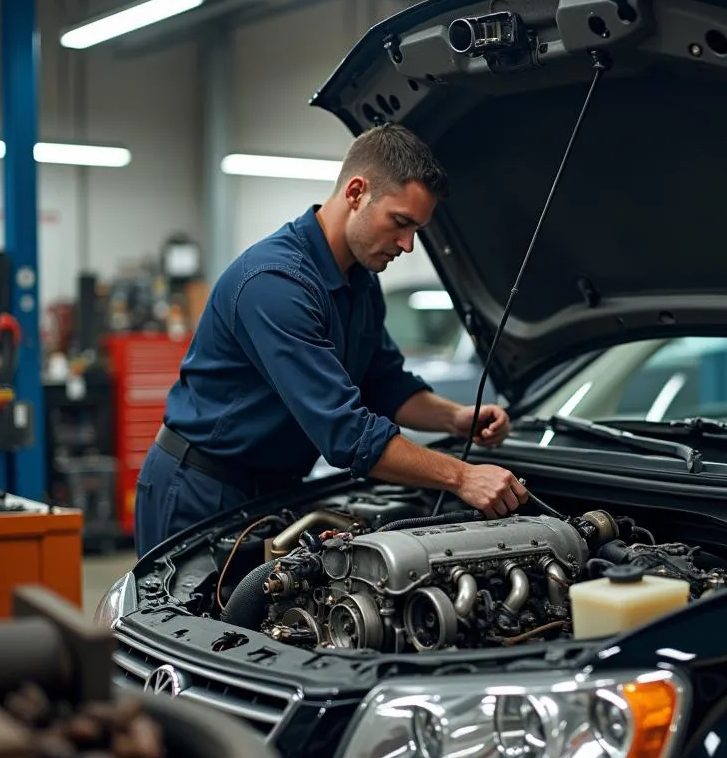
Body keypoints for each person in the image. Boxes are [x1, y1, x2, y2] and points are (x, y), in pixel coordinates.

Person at [134, 123, 527, 557]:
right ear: (356, 192)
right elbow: (345, 433)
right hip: (201, 489)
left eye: (418, 229)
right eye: (400, 222)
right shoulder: (275, 284)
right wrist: (463, 477)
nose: (408, 245)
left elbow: (385, 385)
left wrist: (456, 418)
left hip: (276, 490)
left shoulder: (360, 281)